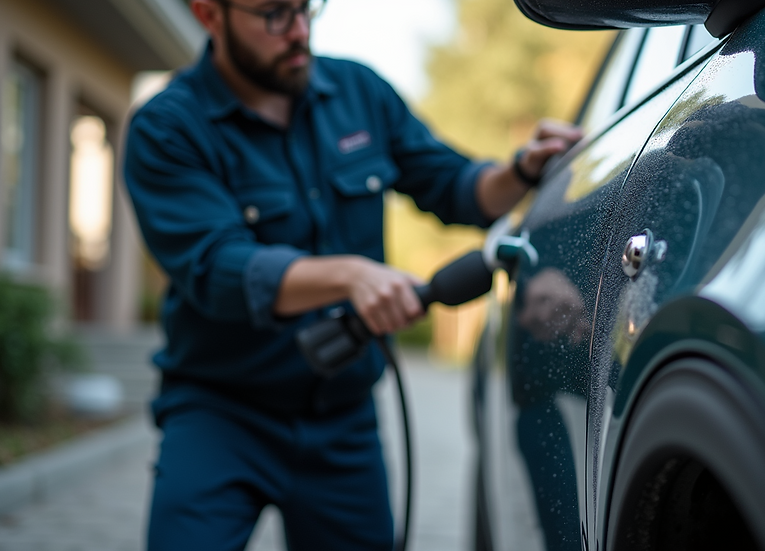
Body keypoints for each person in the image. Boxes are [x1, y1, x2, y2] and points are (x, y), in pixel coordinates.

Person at [122, 1, 581, 550]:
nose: (298, 31)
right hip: (220, 413)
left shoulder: (361, 92)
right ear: (208, 14)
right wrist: (349, 276)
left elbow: (457, 187)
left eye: (305, 7)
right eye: (273, 14)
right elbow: (215, 267)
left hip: (342, 420)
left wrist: (522, 169)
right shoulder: (167, 127)